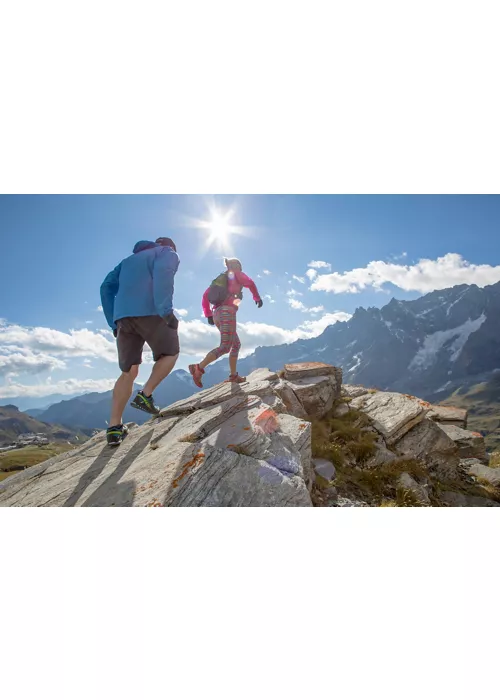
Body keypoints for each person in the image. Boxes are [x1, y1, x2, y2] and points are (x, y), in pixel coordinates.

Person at [100, 237, 180, 447]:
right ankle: (146, 395)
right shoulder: (166, 252)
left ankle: (114, 428)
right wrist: (166, 310)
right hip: (152, 311)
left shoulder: (125, 262)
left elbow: (106, 287)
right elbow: (164, 275)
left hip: (123, 318)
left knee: (128, 371)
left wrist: (113, 322)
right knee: (170, 353)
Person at [189, 257, 263, 387]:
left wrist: (208, 314)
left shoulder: (219, 280)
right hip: (227, 312)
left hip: (217, 313)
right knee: (225, 347)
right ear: (237, 266)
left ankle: (233, 376)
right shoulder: (236, 274)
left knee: (236, 344)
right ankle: (198, 368)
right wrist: (256, 297)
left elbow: (205, 296)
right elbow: (250, 283)